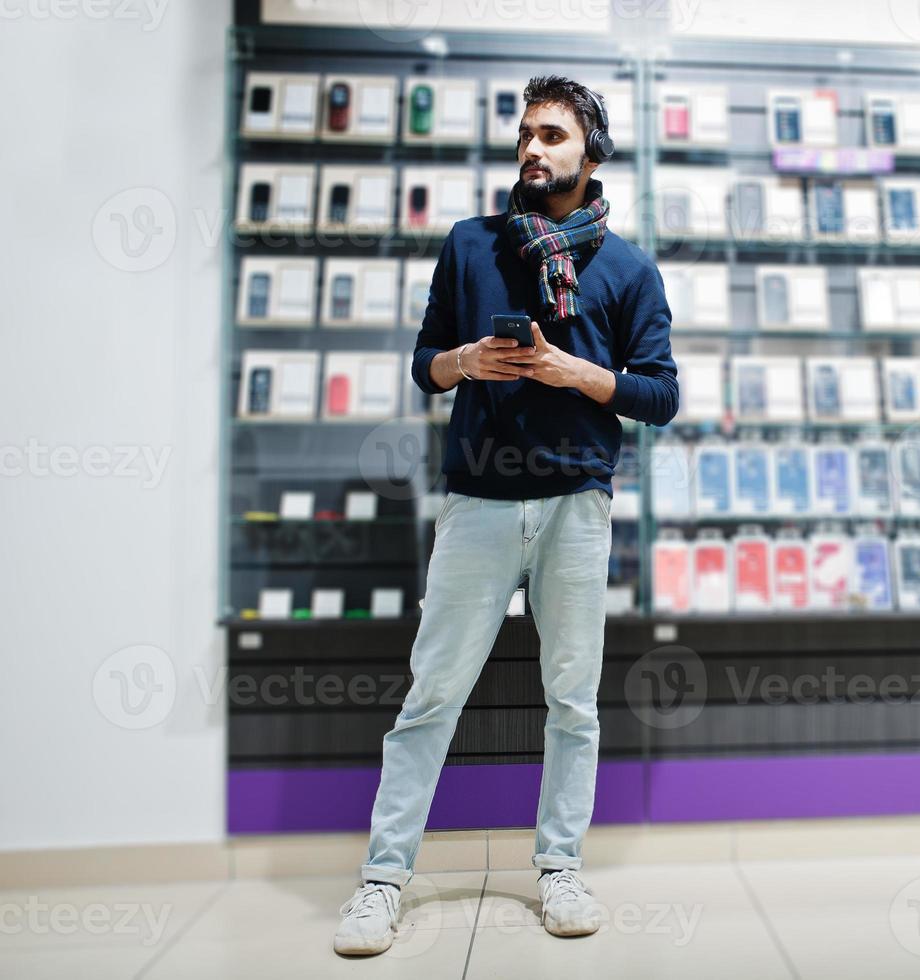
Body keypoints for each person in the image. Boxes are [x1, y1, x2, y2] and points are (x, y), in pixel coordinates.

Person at [334, 74, 678, 955]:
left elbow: (660, 395)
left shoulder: (631, 269)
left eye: (553, 135)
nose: (532, 148)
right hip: (477, 504)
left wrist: (573, 373)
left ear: (590, 152)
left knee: (573, 700)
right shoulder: (470, 243)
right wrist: (462, 361)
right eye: (526, 133)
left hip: (576, 504)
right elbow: (423, 364)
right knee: (431, 696)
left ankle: (559, 866)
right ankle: (381, 879)